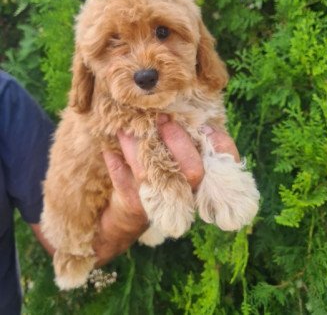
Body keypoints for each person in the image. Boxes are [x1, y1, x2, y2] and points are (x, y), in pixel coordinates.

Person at [0, 70, 240, 314]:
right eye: (114, 43)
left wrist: (128, 214)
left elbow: (59, 238)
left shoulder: (5, 99)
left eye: (162, 32)